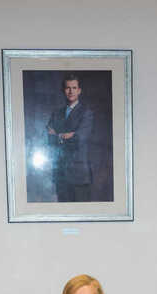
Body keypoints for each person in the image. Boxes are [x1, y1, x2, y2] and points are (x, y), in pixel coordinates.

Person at [47, 73, 93, 202]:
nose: (71, 91)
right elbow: (49, 139)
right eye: (68, 88)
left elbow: (78, 139)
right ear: (63, 90)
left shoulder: (86, 113)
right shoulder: (56, 113)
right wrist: (68, 135)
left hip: (79, 176)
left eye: (74, 88)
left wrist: (58, 136)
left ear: (79, 91)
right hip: (61, 174)